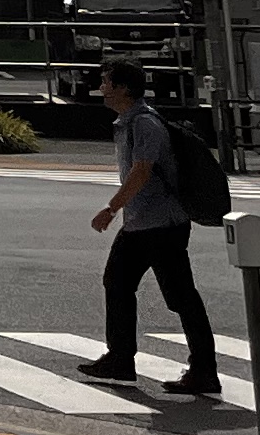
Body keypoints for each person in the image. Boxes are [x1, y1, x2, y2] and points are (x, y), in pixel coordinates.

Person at [80, 57, 219, 395]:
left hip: (162, 225)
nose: (102, 88)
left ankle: (203, 370)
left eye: (106, 82)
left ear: (124, 88)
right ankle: (121, 359)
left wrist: (111, 208)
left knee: (180, 296)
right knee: (118, 283)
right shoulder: (129, 123)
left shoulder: (144, 124)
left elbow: (141, 171)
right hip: (142, 224)